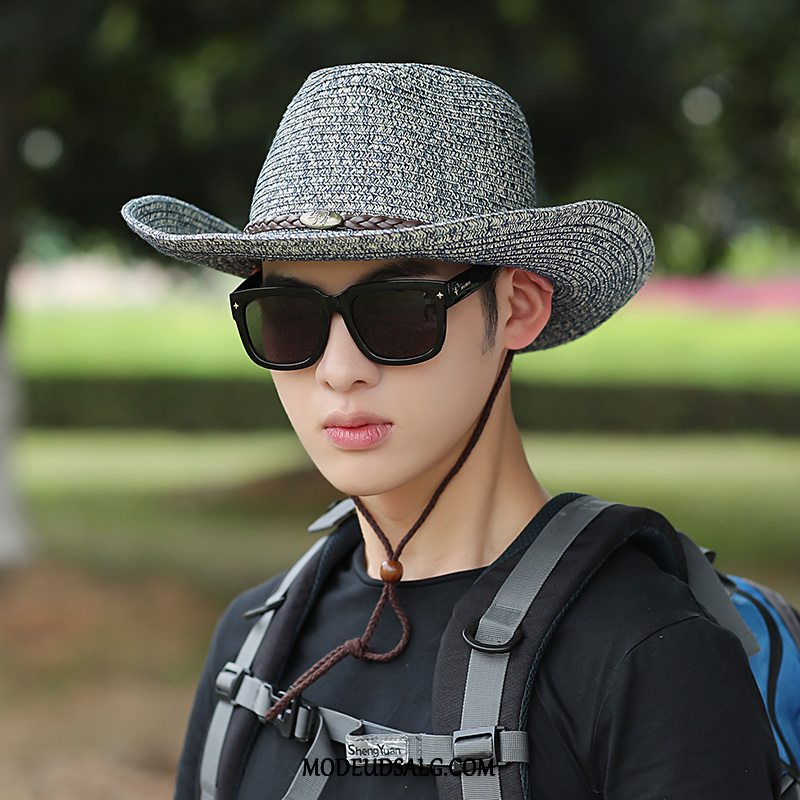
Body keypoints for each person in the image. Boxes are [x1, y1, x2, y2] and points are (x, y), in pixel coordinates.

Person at [122, 62, 782, 799]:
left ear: (521, 308)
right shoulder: (250, 639)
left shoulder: (648, 655)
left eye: (399, 313)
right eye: (287, 317)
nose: (339, 371)